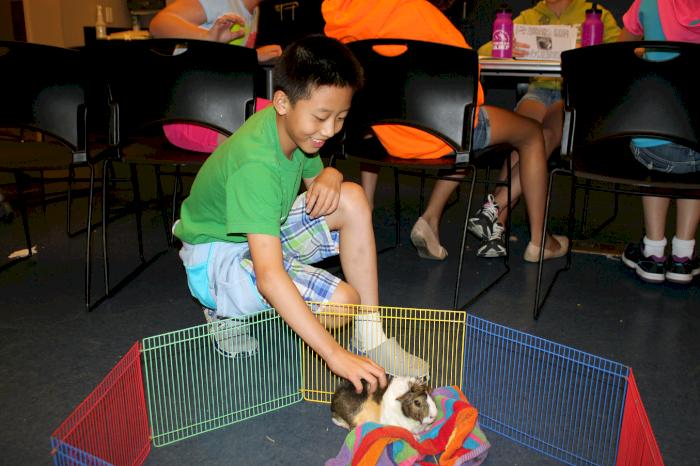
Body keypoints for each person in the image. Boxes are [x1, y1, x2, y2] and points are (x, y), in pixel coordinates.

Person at [173, 35, 428, 393]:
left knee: (352, 198)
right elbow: (269, 276)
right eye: (322, 117)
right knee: (342, 305)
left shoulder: (295, 128)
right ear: (282, 102)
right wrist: (334, 355)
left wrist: (332, 173)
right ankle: (222, 309)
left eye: (340, 117)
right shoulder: (256, 165)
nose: (329, 131)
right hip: (216, 257)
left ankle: (371, 337)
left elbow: (319, 179)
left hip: (257, 231)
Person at [322, 0, 568, 262]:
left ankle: (411, 215)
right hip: (439, 131)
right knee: (530, 134)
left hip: (384, 134)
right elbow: (466, 74)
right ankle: (540, 241)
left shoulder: (340, 17)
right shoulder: (423, 13)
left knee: (449, 134)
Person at [474, 0, 620, 257]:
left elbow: (621, 52)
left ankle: (494, 209)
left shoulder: (596, 15)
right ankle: (512, 231)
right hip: (538, 91)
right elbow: (485, 50)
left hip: (571, 94)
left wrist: (591, 51)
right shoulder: (530, 16)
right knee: (521, 139)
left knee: (544, 136)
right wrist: (509, 48)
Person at [618, 0, 700, 284]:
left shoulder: (649, 2)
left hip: (657, 144)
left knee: (654, 143)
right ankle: (683, 256)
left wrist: (645, 52)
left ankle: (653, 252)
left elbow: (621, 52)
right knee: (693, 169)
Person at [149, 0, 282, 153]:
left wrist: (252, 56)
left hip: (217, 111)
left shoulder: (253, 11)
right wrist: (206, 37)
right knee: (285, 123)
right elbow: (158, 24)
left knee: (291, 117)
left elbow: (220, 63)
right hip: (192, 116)